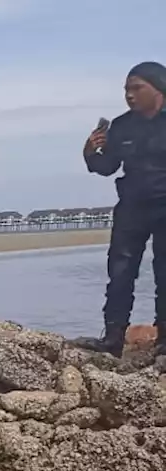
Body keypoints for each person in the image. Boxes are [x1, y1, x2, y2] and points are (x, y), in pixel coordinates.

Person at [82, 61, 166, 357]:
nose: (129, 95)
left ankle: (164, 340)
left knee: (164, 273)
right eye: (126, 90)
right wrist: (90, 153)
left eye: (137, 88)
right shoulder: (121, 125)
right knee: (119, 273)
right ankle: (113, 338)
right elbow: (108, 166)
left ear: (159, 88)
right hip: (132, 207)